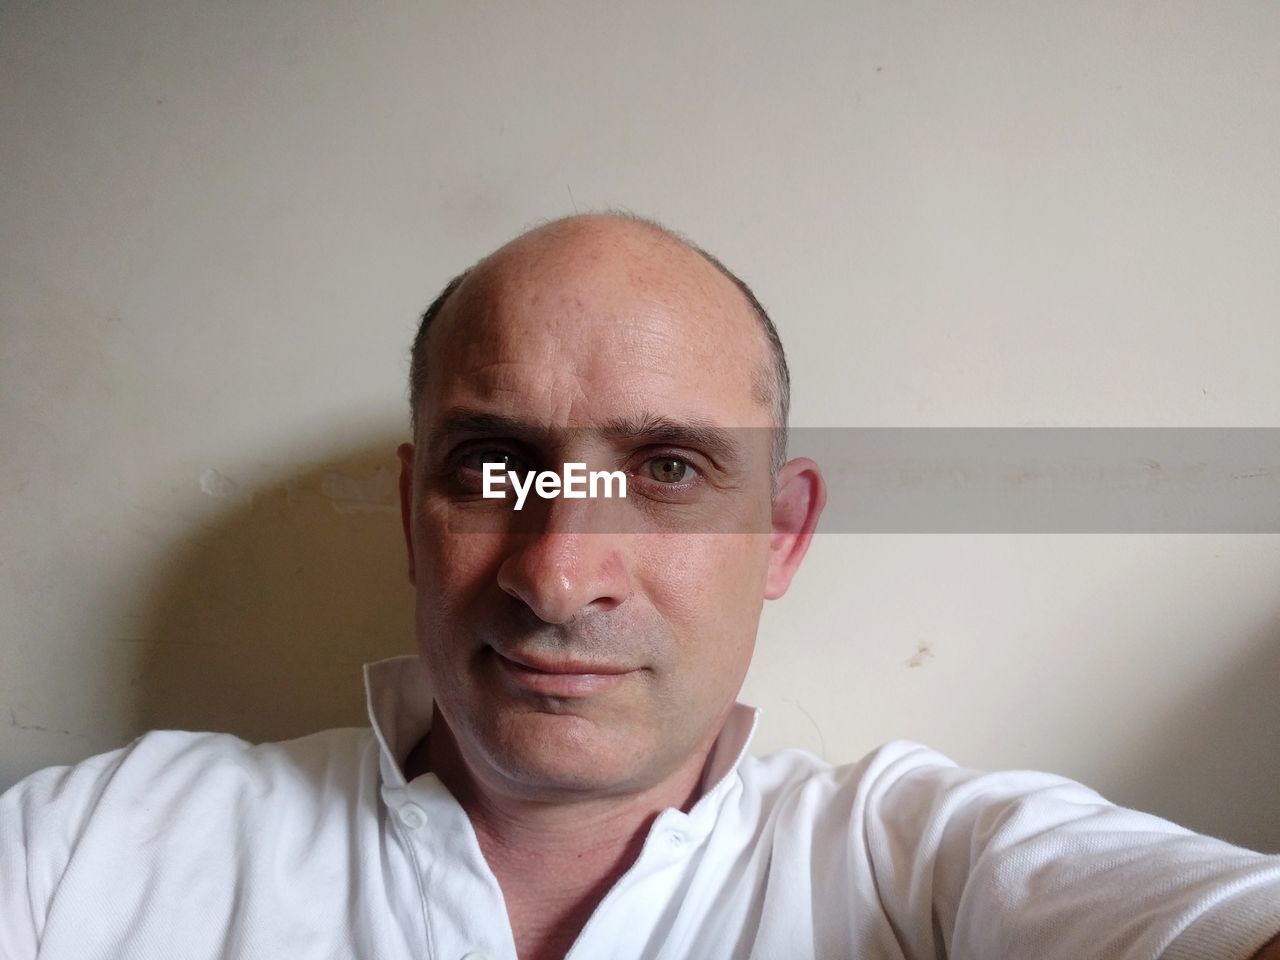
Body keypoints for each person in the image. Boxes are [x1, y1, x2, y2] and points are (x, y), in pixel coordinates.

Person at [2, 213, 1278, 960]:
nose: (557, 570)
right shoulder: (88, 856)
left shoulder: (922, 872)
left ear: (780, 538)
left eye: (666, 470)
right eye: (494, 465)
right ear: (412, 513)